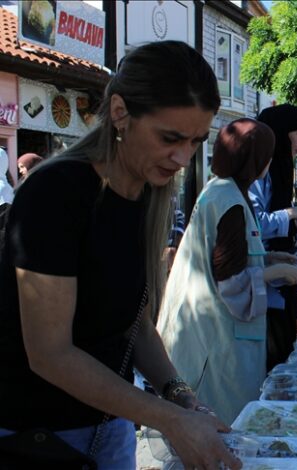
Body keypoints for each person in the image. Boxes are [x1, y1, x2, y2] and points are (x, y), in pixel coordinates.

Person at [0, 41, 242, 468]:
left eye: (195, 141)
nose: (183, 158)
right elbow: (49, 353)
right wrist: (168, 418)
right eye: (170, 138)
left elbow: (136, 324)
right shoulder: (55, 193)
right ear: (119, 113)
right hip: (39, 438)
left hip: (111, 429)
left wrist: (180, 397)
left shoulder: (146, 193)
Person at [157, 118, 297, 423]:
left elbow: (234, 255)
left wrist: (268, 257)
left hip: (209, 334)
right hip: (215, 342)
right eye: (267, 154)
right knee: (225, 429)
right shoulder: (229, 201)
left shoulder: (223, 190)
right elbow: (229, 279)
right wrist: (275, 273)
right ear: (253, 157)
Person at [249, 103, 297, 372]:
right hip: (263, 285)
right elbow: (252, 225)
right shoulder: (256, 172)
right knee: (274, 358)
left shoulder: (281, 168)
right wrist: (291, 214)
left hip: (280, 275)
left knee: (286, 347)